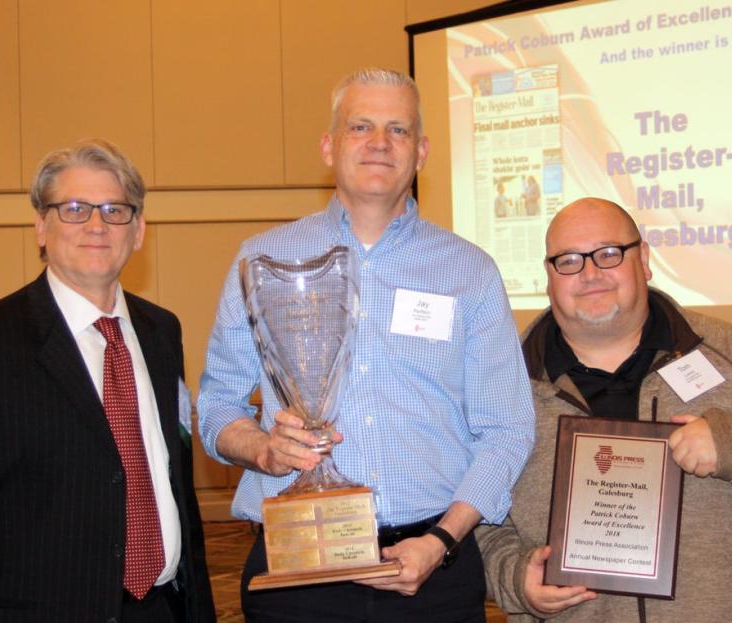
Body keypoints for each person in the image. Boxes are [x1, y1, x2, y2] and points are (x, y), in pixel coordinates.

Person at [198, 67, 535, 622]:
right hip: (296, 565)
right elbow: (216, 408)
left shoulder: (469, 272)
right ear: (329, 146)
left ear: (421, 152)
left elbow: (507, 427)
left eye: (398, 130)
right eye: (361, 126)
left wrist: (442, 541)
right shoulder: (260, 259)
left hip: (432, 567)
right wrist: (262, 449)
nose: (380, 143)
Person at [477, 197, 732, 622]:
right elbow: (475, 522)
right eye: (570, 260)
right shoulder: (501, 382)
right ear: (549, 276)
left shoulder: (726, 353)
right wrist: (515, 577)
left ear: (645, 259)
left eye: (610, 253)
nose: (590, 273)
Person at [0, 140, 215, 623]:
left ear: (138, 232)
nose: (96, 225)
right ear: (41, 227)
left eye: (115, 210)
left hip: (161, 609)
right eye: (73, 209)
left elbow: (172, 484)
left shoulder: (161, 332)